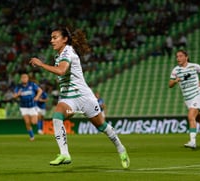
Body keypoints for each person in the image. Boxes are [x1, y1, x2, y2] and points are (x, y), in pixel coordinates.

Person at [30, 27, 130, 168]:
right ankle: (64, 154)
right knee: (57, 117)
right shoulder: (59, 55)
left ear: (64, 39)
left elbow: (61, 70)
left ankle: (121, 149)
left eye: (55, 37)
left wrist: (41, 64)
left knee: (102, 126)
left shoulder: (68, 52)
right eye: (51, 38)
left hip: (84, 98)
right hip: (68, 99)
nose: (51, 40)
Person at [169, 50, 200, 149]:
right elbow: (170, 85)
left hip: (197, 95)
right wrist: (175, 81)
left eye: (180, 56)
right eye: (177, 56)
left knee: (191, 116)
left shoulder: (194, 66)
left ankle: (192, 142)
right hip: (188, 100)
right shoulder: (175, 70)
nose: (178, 58)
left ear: (186, 57)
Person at [13, 73, 43, 141]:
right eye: (23, 77)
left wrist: (37, 97)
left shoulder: (32, 84)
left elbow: (40, 90)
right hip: (24, 107)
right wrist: (18, 94)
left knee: (34, 122)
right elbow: (14, 96)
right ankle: (32, 136)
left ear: (28, 78)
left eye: (25, 77)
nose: (24, 79)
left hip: (32, 106)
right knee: (27, 122)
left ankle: (39, 116)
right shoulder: (18, 86)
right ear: (21, 79)